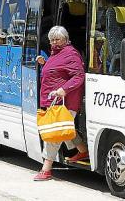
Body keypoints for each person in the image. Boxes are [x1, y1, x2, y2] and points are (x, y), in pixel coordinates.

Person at [33, 26, 88, 181]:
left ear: (66, 39)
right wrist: (45, 64)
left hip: (65, 101)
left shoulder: (70, 54)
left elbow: (78, 76)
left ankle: (46, 169)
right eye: (51, 40)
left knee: (54, 135)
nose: (54, 43)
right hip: (53, 100)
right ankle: (83, 150)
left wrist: (64, 90)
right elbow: (57, 72)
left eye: (57, 39)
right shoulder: (55, 53)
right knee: (64, 128)